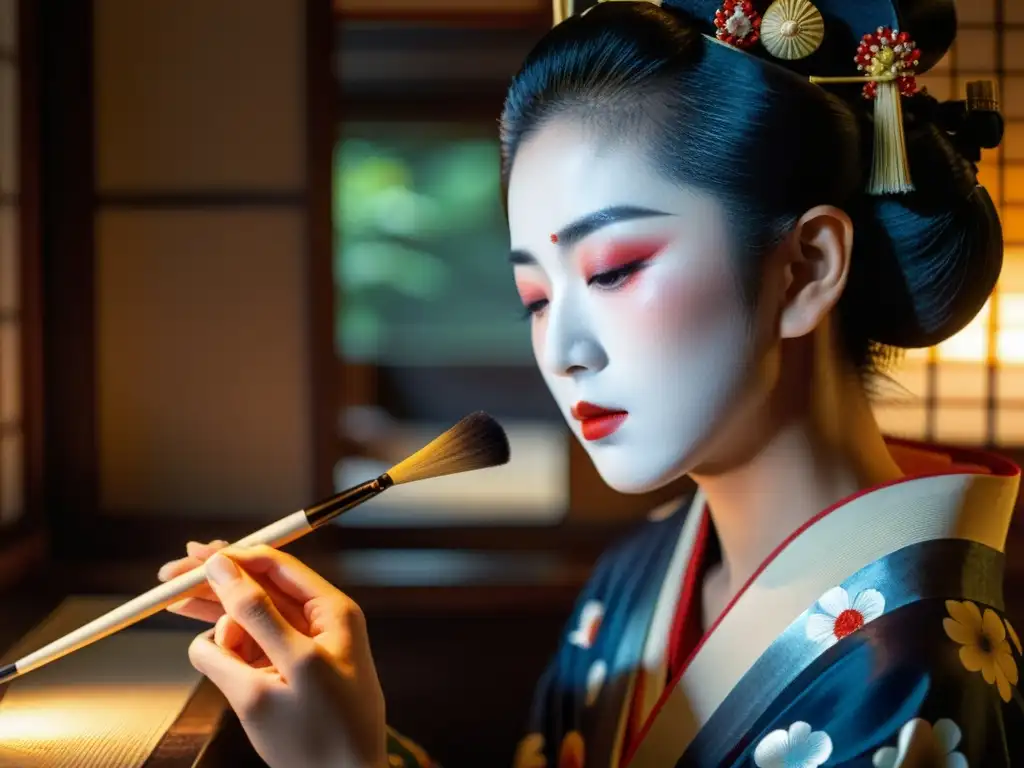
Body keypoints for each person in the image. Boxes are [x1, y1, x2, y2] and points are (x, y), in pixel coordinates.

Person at [158, 0, 1024, 765]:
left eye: (611, 270)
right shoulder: (641, 571)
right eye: (535, 295)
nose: (562, 349)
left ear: (806, 268)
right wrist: (351, 731)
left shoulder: (923, 677)